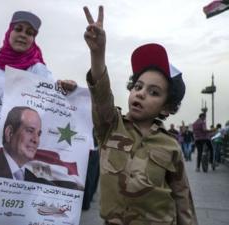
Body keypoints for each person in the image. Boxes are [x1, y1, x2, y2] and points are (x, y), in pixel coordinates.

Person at [83, 5, 197, 225]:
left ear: (167, 107)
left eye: (154, 92)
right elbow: (101, 94)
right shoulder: (110, 126)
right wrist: (98, 52)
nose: (141, 94)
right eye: (138, 86)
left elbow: (183, 200)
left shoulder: (170, 145)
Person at [0, 10, 77, 153]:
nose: (23, 35)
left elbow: (55, 96)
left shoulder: (37, 69)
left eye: (29, 33)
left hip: (10, 151)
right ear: (9, 32)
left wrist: (67, 88)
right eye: (18, 29)